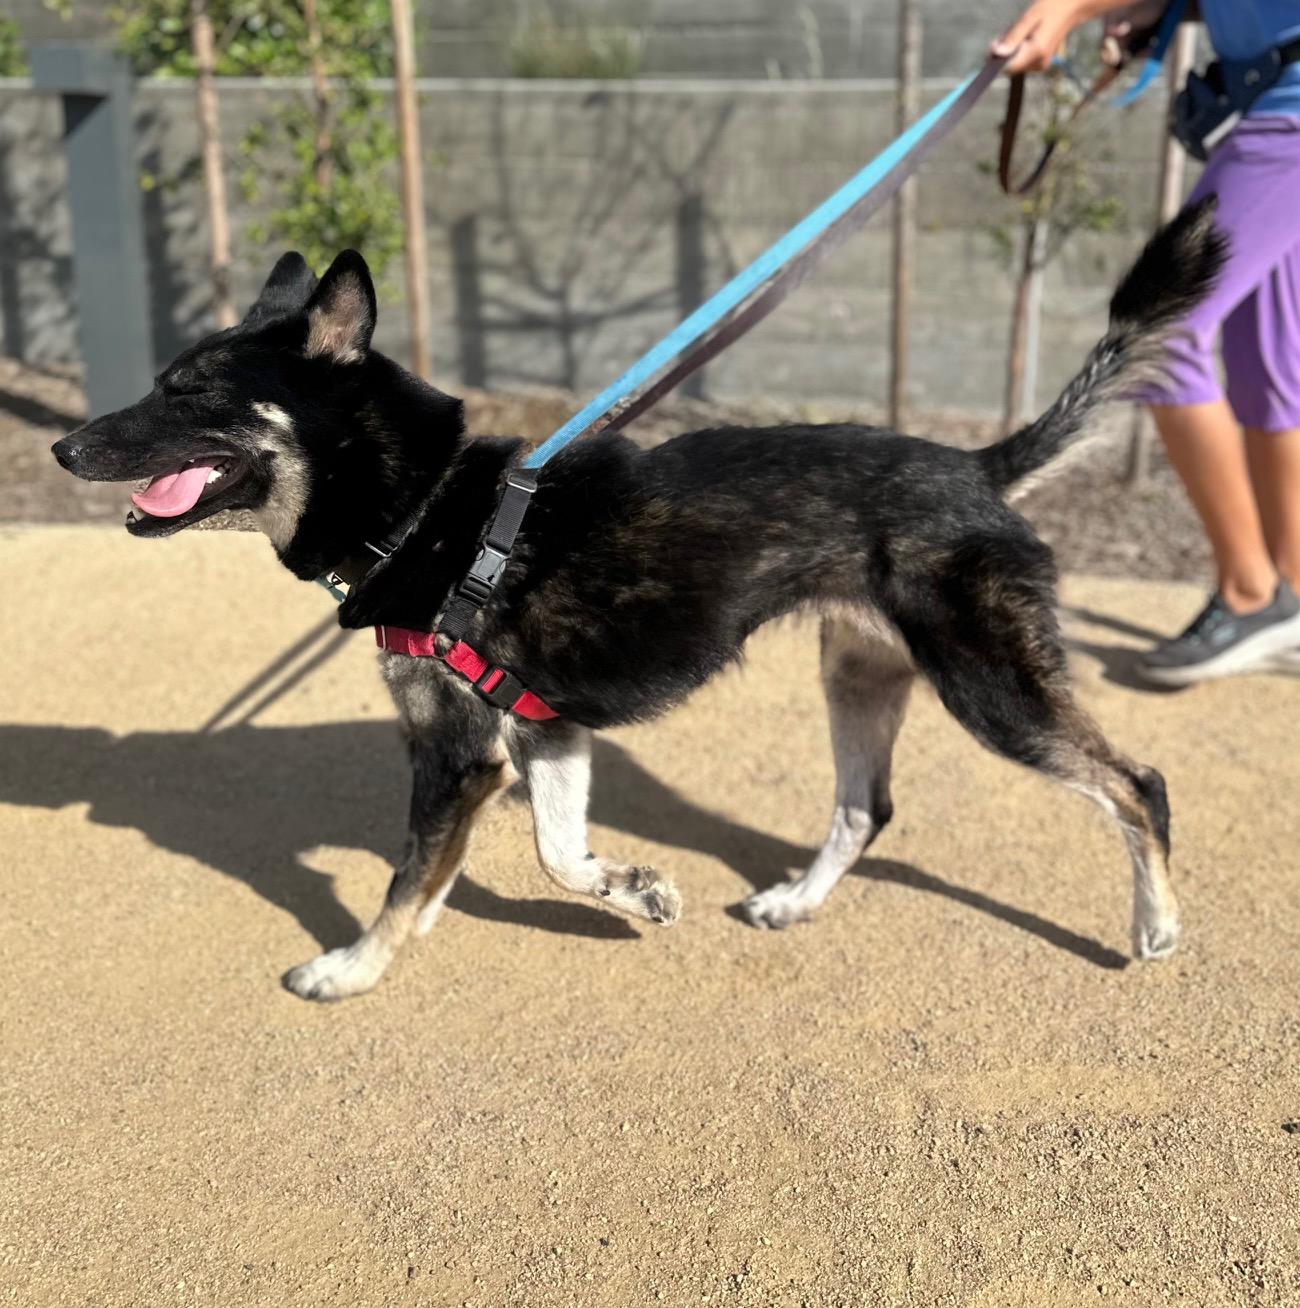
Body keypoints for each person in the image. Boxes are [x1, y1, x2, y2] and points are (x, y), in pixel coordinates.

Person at [993, 1, 1300, 685]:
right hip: (1272, 103)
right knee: (1269, 362)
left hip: (1288, 115)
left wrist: (1066, 10)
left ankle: (1253, 595)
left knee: (1162, 330)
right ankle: (1292, 594)